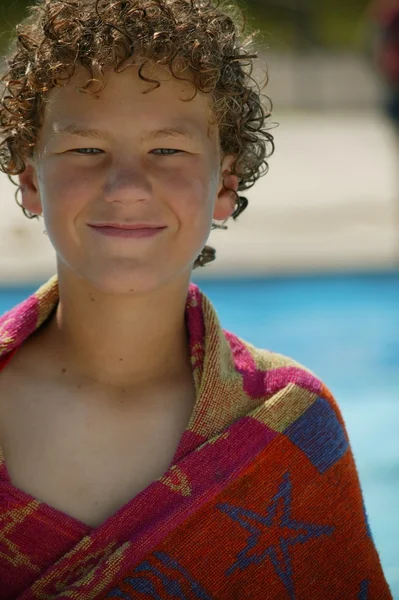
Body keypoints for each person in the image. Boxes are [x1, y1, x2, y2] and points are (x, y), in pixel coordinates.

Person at [0, 0, 392, 598]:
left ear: (225, 186)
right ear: (29, 179)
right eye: (85, 149)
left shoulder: (290, 425)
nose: (127, 186)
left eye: (167, 151)